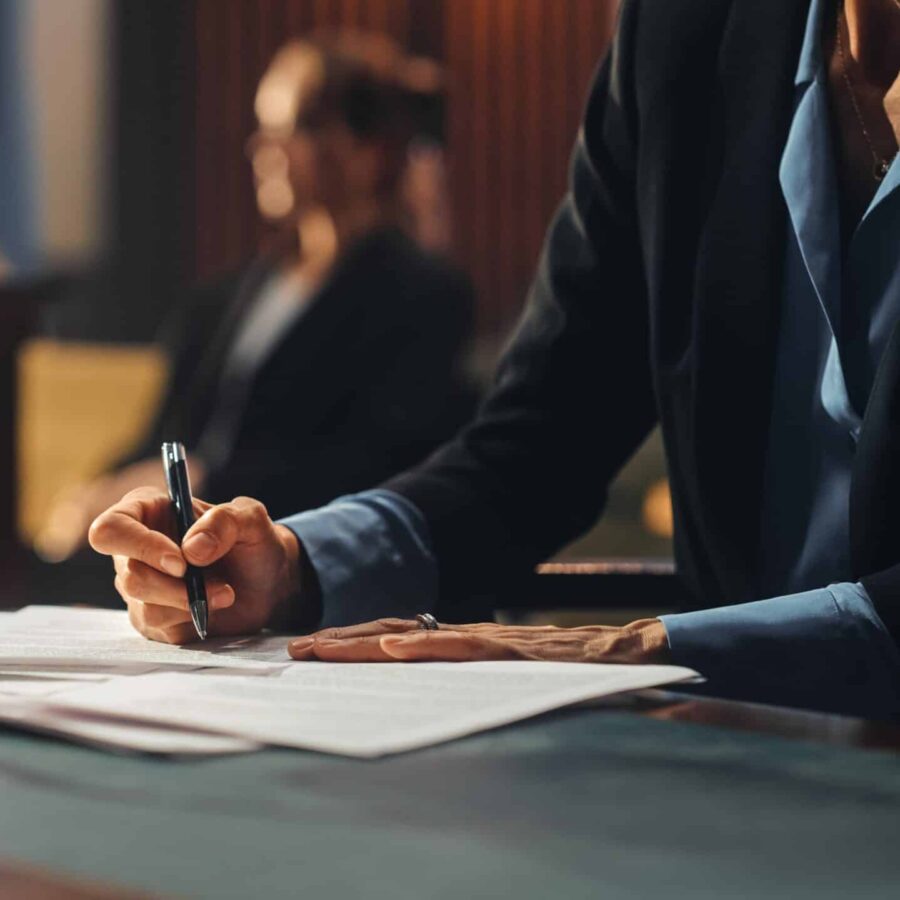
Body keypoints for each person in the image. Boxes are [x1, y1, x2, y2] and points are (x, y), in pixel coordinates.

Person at [89, 0, 900, 719]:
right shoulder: (679, 31)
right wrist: (292, 570)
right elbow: (536, 443)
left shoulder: (410, 288)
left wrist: (639, 650)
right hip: (735, 757)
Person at [36, 34, 475, 561]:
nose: (262, 149)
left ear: (368, 149)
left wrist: (206, 478)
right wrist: (98, 493)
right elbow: (167, 430)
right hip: (177, 538)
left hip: (286, 554)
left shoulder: (421, 295)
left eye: (291, 130)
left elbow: (370, 463)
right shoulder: (230, 294)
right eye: (264, 129)